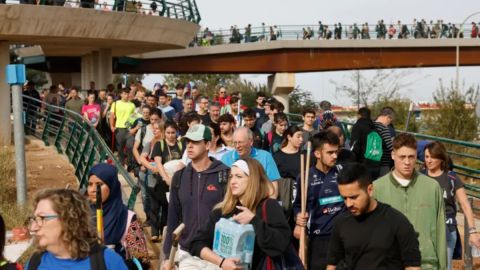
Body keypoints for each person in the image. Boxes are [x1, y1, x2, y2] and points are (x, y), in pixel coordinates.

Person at [190, 158, 291, 269]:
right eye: (231, 176)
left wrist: (254, 221)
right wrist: (222, 262)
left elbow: (280, 244)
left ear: (253, 179)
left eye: (239, 176)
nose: (232, 181)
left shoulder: (268, 206)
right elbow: (196, 243)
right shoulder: (223, 210)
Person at [326, 163, 421, 270]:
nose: (348, 204)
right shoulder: (341, 223)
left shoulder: (397, 221)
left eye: (353, 197)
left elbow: (412, 266)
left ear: (370, 190)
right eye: (344, 198)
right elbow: (332, 264)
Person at [374, 133, 447, 270]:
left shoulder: (432, 187)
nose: (407, 162)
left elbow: (440, 232)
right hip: (389, 264)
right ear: (393, 155)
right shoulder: (377, 188)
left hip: (426, 264)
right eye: (402, 157)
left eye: (411, 157)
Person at [162, 124, 230, 270]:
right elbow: (173, 216)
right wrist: (168, 256)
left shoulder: (224, 175)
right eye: (188, 142)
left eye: (195, 142)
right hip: (188, 253)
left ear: (207, 144)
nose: (190, 146)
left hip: (217, 254)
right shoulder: (179, 177)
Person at [25, 189, 127, 269]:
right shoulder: (35, 262)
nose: (34, 227)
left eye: (42, 218)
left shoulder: (106, 262)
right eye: (34, 219)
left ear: (67, 220)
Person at [423, 141, 480, 269]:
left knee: (444, 267)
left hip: (447, 229)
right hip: (424, 230)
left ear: (441, 157)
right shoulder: (420, 177)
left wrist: (473, 231)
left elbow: (465, 205)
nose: (429, 160)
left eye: (433, 156)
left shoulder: (452, 178)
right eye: (426, 157)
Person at [293, 131, 344, 270]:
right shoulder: (304, 177)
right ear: (317, 154)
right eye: (330, 152)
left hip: (342, 236)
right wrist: (298, 219)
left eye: (336, 151)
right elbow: (297, 205)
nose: (335, 156)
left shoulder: (343, 173)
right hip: (318, 239)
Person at [87, 164, 150, 267]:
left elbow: (141, 259)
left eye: (99, 184)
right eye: (90, 184)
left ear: (112, 186)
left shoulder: (128, 218)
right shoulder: (78, 215)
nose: (93, 190)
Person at [221, 127, 281, 198]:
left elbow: (273, 188)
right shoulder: (226, 158)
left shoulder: (265, 157)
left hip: (259, 202)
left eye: (240, 142)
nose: (237, 146)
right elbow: (222, 186)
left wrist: (267, 207)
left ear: (251, 142)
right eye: (235, 143)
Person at [109, 88, 136, 165]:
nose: (127, 95)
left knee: (130, 146)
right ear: (121, 94)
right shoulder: (115, 103)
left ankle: (130, 164)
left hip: (129, 129)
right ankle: (121, 165)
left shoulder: (132, 105)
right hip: (119, 129)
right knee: (120, 149)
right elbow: (112, 116)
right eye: (125, 93)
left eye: (128, 94)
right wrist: (111, 126)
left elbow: (134, 117)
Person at [374, 107, 395, 177]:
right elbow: (390, 147)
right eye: (390, 120)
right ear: (388, 117)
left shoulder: (372, 125)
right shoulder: (383, 128)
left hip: (373, 161)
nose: (389, 123)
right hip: (383, 163)